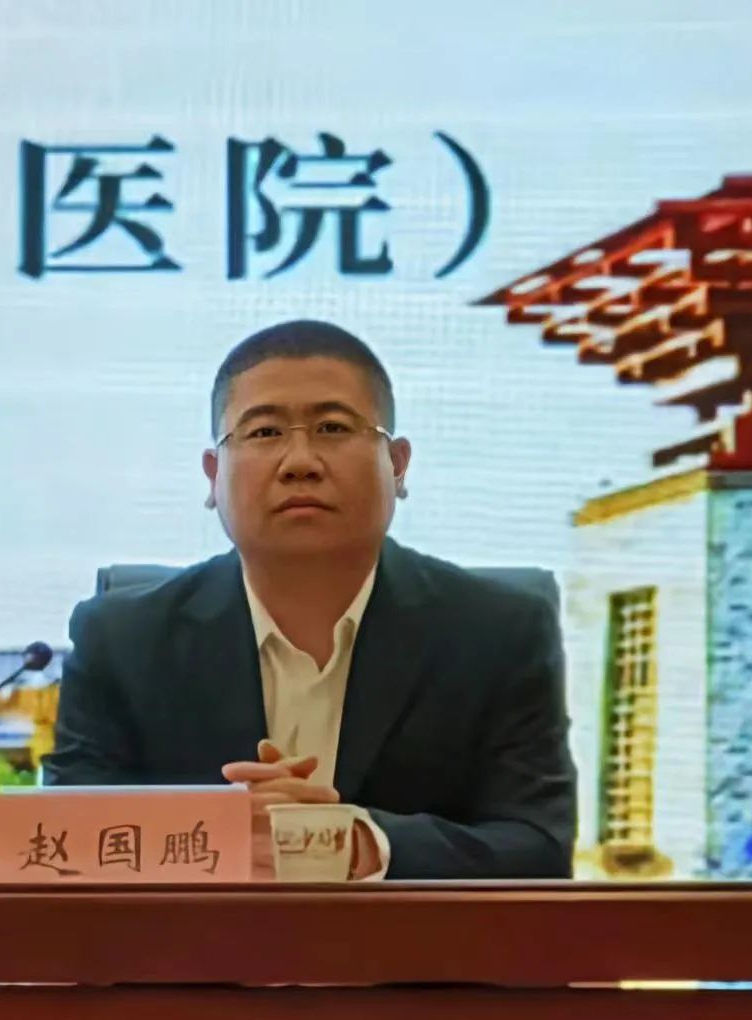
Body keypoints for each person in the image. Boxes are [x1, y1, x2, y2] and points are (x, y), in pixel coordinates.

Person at [43, 320, 575, 880]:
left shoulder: (497, 633)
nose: (300, 461)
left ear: (397, 464)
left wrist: (357, 844)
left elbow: (538, 848)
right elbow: (63, 845)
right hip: (196, 941)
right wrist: (219, 834)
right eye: (265, 432)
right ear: (213, 475)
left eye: (332, 427)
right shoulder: (123, 640)